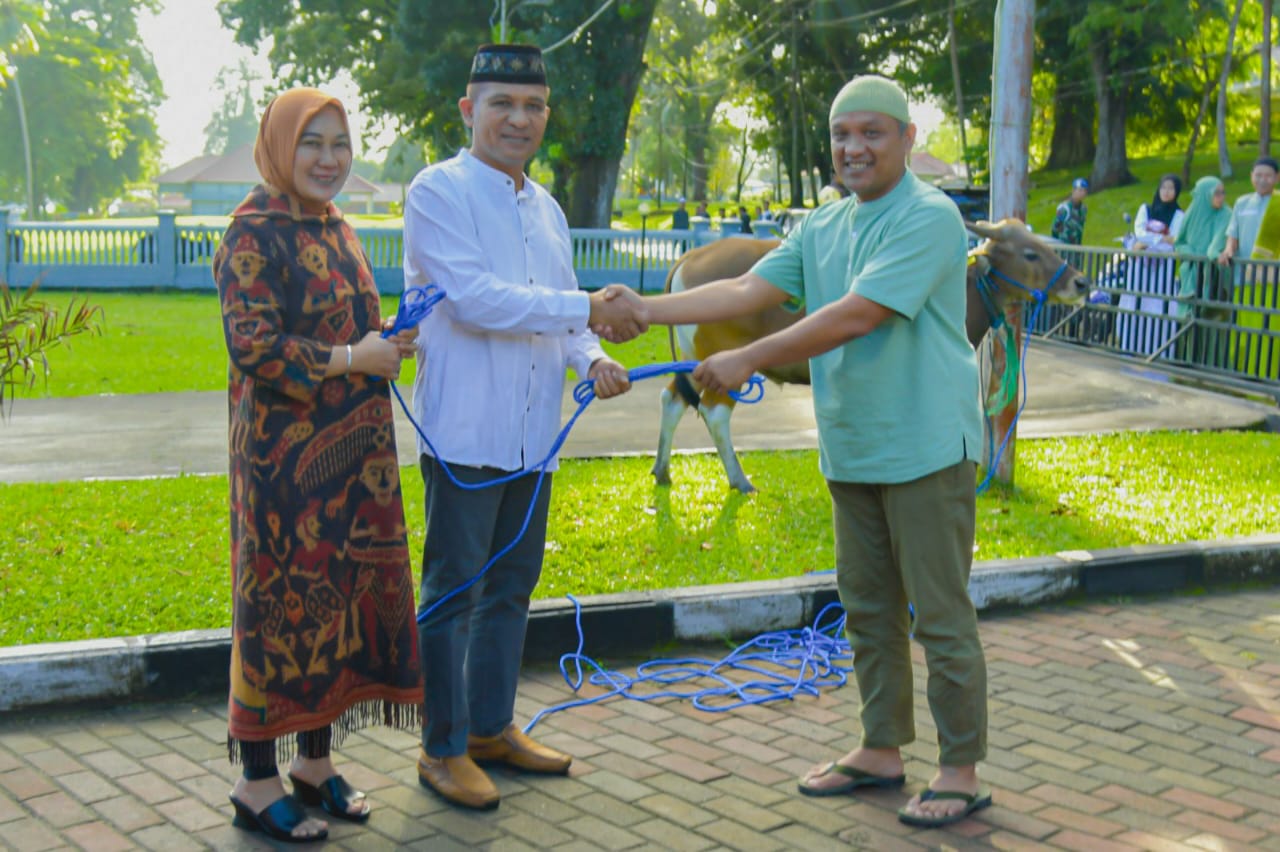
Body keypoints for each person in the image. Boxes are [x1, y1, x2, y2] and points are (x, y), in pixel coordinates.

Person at [597, 74, 990, 829]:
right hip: (856, 447)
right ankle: (880, 748)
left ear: (907, 141)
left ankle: (961, 768)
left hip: (927, 446)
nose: (854, 147)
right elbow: (746, 287)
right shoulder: (824, 225)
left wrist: (749, 359)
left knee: (939, 615)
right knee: (870, 609)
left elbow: (857, 315)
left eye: (873, 132)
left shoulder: (931, 218)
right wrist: (648, 309)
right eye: (844, 134)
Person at [402, 43, 641, 812]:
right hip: (465, 433)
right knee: (453, 589)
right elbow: (475, 299)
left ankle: (490, 729)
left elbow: (565, 312)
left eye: (533, 105)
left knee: (510, 586)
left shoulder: (548, 209)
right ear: (468, 110)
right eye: (501, 103)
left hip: (535, 439)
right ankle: (442, 748)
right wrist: (587, 311)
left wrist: (593, 359)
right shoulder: (437, 191)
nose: (519, 118)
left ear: (546, 117)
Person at [213, 88, 424, 843]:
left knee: (335, 605)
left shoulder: (341, 228)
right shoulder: (251, 232)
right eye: (313, 143)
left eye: (340, 143)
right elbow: (255, 345)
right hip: (280, 470)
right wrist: (350, 357)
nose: (330, 158)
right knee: (279, 611)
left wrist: (389, 342)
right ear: (278, 146)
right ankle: (256, 778)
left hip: (352, 465)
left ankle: (313, 764)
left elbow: (355, 329)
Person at [1120, 174, 1184, 357]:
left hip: (1164, 267)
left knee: (1158, 305)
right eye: (1164, 187)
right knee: (1136, 303)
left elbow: (1174, 240)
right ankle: (1130, 347)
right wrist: (1161, 238)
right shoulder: (1145, 209)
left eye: (1171, 188)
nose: (1166, 192)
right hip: (1140, 267)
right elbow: (1139, 232)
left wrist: (1150, 242)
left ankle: (1158, 351)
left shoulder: (1179, 215)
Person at [1217, 156, 1278, 265]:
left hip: (1274, 270)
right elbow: (1233, 235)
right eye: (1258, 175)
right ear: (1251, 176)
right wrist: (1228, 251)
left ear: (1277, 178)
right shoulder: (1242, 203)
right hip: (1244, 269)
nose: (1262, 180)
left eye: (1268, 176)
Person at [1050, 177, 1089, 244]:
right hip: (1064, 245)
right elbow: (1055, 227)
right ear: (1073, 191)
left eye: (1084, 191)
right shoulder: (1065, 208)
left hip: (1077, 246)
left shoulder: (1083, 209)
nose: (1082, 193)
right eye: (1080, 190)